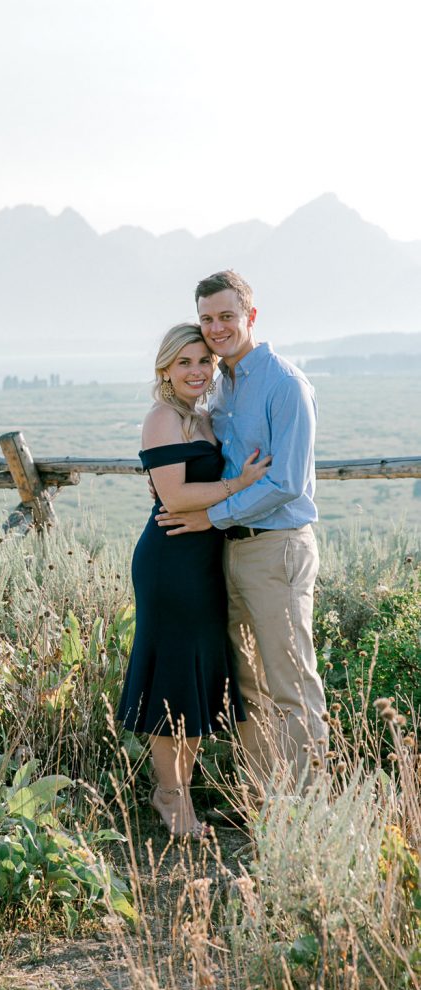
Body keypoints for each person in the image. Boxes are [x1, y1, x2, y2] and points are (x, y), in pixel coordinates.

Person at [155, 270, 328, 796]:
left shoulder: (284, 384)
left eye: (227, 316)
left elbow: (287, 482)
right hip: (231, 551)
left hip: (277, 549)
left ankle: (307, 810)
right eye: (207, 318)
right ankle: (261, 800)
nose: (216, 328)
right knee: (249, 685)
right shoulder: (222, 384)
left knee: (291, 682)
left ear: (251, 316)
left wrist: (211, 517)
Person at [117, 322, 270, 837]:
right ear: (165, 369)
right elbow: (176, 497)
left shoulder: (202, 417)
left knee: (199, 678)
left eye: (204, 360)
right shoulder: (163, 418)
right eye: (184, 362)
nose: (197, 370)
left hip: (205, 562)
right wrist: (239, 483)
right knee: (174, 679)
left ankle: (177, 790)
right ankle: (171, 797)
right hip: (171, 563)